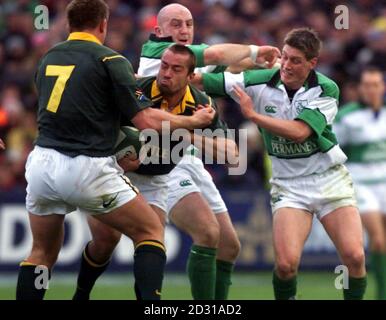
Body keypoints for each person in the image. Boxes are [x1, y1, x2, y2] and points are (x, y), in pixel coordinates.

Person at [16, 0, 214, 301]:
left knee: (41, 253)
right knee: (150, 231)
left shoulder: (49, 57)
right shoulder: (111, 60)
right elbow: (146, 121)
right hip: (85, 165)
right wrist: (192, 120)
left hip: (42, 164)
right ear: (103, 25)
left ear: (70, 24)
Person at [198, 27, 367, 300]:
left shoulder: (326, 88)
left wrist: (254, 116)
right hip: (289, 185)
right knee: (286, 266)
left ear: (312, 63)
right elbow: (203, 80)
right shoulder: (259, 80)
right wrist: (246, 58)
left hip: (329, 178)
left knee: (355, 256)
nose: (286, 65)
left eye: (296, 60)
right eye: (285, 57)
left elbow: (299, 132)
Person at [137, 3, 280, 300]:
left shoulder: (196, 87)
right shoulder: (155, 52)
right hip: (158, 158)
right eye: (175, 24)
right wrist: (255, 52)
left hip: (187, 158)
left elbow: (221, 71)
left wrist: (261, 66)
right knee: (207, 233)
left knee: (229, 246)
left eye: (188, 24)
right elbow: (216, 55)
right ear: (158, 31)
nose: (183, 30)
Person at [73, 44, 238, 300]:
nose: (166, 73)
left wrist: (190, 133)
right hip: (113, 171)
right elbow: (96, 123)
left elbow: (232, 154)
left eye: (175, 69)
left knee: (153, 240)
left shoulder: (200, 104)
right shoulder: (137, 89)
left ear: (190, 76)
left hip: (156, 179)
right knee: (105, 241)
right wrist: (114, 155)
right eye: (164, 65)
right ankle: (81, 294)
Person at [334, 67, 386, 300]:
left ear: (382, 87)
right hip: (361, 182)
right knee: (378, 239)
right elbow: (333, 150)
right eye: (367, 85)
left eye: (375, 84)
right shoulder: (346, 116)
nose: (371, 89)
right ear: (360, 88)